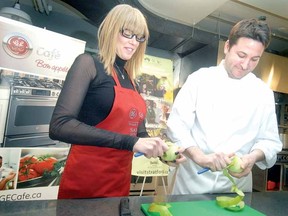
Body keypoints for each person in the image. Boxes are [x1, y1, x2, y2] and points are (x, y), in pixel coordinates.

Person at [49, 4, 169, 199]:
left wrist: (162, 149)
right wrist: (130, 142)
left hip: (119, 183)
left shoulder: (133, 82)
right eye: (127, 33)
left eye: (139, 37)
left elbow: (139, 133)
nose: (133, 42)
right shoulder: (88, 64)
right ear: (112, 30)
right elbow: (59, 126)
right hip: (85, 183)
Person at [166, 18, 283, 194]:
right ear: (227, 47)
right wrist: (201, 157)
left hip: (236, 187)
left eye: (254, 59)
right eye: (241, 55)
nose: (245, 65)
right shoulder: (199, 80)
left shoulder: (262, 92)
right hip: (192, 184)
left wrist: (252, 158)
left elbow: (270, 140)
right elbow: (177, 127)